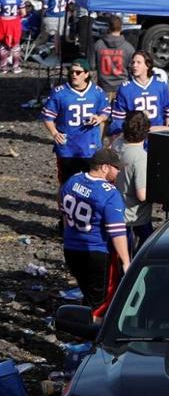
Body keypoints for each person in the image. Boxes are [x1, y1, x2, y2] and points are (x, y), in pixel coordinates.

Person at [60, 148, 130, 311]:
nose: (118, 171)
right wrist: (126, 261)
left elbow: (63, 208)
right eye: (116, 167)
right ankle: (91, 333)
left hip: (71, 249)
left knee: (88, 292)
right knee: (100, 303)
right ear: (105, 167)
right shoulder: (110, 194)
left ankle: (81, 324)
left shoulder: (73, 181)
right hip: (96, 252)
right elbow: (117, 232)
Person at [44, 59, 111, 183]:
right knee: (66, 184)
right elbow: (48, 117)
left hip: (89, 146)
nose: (74, 75)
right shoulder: (60, 93)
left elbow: (106, 111)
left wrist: (99, 118)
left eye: (78, 72)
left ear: (86, 74)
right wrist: (54, 133)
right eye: (72, 72)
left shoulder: (97, 92)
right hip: (67, 147)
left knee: (91, 182)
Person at [113, 111, 151, 250]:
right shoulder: (140, 157)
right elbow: (142, 195)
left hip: (117, 210)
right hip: (135, 218)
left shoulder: (118, 143)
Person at [110, 51, 169, 130]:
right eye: (133, 62)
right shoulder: (125, 88)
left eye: (138, 62)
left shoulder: (160, 85)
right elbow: (119, 119)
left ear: (147, 65)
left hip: (157, 133)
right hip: (135, 135)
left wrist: (168, 132)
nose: (134, 65)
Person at [93, 15, 135, 98]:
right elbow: (133, 71)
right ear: (121, 28)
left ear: (108, 27)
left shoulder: (98, 45)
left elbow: (92, 66)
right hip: (123, 89)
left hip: (103, 88)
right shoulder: (128, 48)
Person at [0, 0, 25, 73]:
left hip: (3, 23)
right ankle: (16, 67)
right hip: (15, 22)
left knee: (2, 45)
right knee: (16, 44)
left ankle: (3, 67)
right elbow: (24, 13)